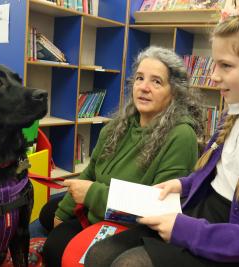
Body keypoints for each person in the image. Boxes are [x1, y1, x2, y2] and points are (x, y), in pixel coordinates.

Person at [83, 5, 239, 267]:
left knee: (130, 264)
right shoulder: (236, 113)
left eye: (225, 65)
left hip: (237, 241)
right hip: (201, 214)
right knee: (99, 254)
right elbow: (222, 176)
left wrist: (188, 231)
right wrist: (183, 185)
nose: (213, 76)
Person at [39, 46, 207, 267]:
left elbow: (158, 208)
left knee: (55, 247)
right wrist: (63, 212)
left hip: (133, 225)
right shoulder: (119, 125)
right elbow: (90, 172)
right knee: (49, 213)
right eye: (139, 78)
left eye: (156, 82)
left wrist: (91, 195)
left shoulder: (181, 136)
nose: (144, 88)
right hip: (97, 210)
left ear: (174, 92)